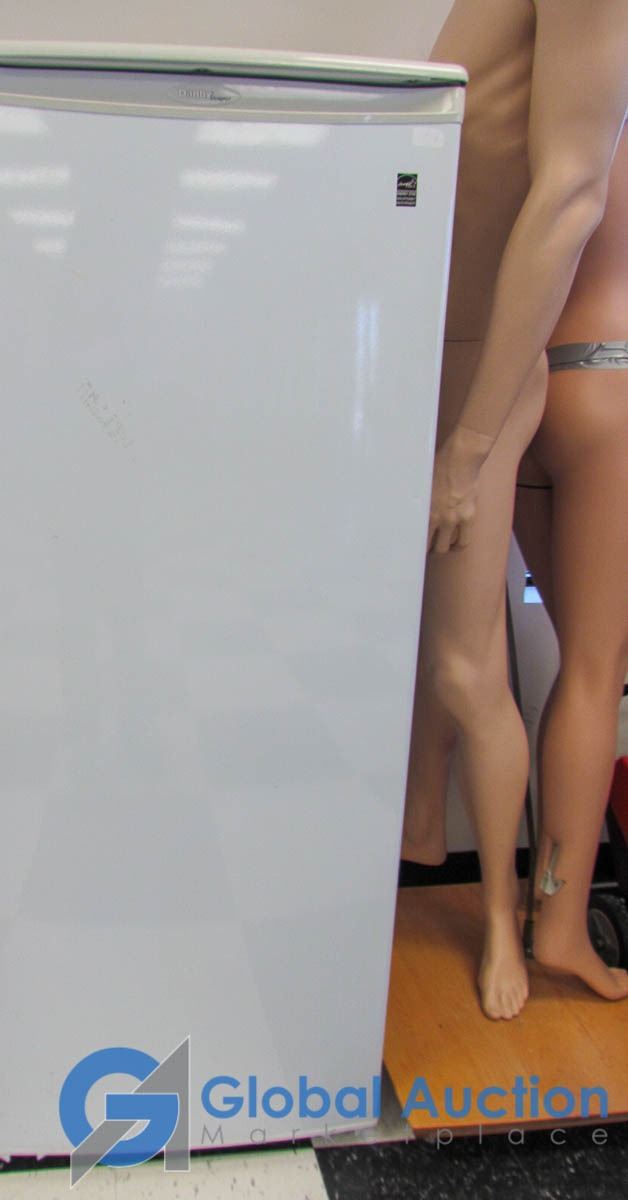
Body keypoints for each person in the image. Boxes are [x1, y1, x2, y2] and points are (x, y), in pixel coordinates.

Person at [400, 0, 628, 1020]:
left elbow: (569, 197)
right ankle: (545, 913)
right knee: (546, 662)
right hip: (545, 367)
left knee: (485, 654)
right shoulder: (582, 68)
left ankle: (526, 912)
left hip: (524, 369)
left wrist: (470, 445)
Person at [512, 127, 628, 1003]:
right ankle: (559, 928)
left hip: (532, 385)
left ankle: (545, 897)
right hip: (613, 381)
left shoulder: (555, 110)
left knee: (575, 664)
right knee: (596, 670)